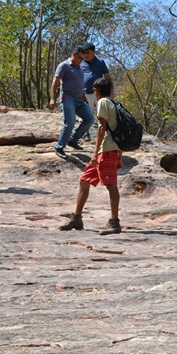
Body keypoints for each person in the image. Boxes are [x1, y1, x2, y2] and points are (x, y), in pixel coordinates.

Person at [59, 77, 122, 235]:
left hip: (106, 151)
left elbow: (102, 128)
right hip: (109, 150)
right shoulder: (114, 104)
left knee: (111, 185)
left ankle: (114, 222)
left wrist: (95, 153)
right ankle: (77, 218)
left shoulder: (103, 103)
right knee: (84, 180)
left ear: (96, 91)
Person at [49, 45, 94, 158]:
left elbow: (79, 86)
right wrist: (52, 98)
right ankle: (59, 147)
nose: (81, 61)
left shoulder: (80, 69)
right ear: (74, 55)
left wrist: (85, 100)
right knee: (70, 122)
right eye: (80, 58)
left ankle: (72, 139)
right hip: (67, 98)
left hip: (79, 100)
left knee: (90, 118)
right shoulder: (64, 66)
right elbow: (55, 82)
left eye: (83, 59)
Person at [79, 42, 110, 140]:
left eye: (88, 52)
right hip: (85, 93)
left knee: (102, 114)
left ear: (93, 52)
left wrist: (109, 91)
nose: (86, 55)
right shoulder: (81, 63)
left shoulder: (100, 62)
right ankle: (86, 134)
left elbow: (107, 77)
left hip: (99, 93)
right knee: (86, 114)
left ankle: (105, 135)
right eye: (84, 53)